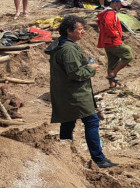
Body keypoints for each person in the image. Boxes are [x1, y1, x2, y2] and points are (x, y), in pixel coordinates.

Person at [46, 15, 117, 169]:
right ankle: (99, 159)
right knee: (92, 122)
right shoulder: (69, 49)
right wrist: (91, 69)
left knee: (68, 123)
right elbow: (76, 74)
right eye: (80, 29)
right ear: (69, 31)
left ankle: (65, 155)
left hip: (65, 93)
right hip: (75, 94)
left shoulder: (60, 45)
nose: (83, 32)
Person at [96, 0, 133, 88]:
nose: (121, 7)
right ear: (115, 3)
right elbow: (108, 25)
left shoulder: (106, 12)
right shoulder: (110, 13)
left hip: (107, 42)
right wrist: (114, 34)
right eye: (120, 5)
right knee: (128, 54)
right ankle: (113, 74)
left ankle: (112, 84)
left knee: (112, 62)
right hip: (112, 41)